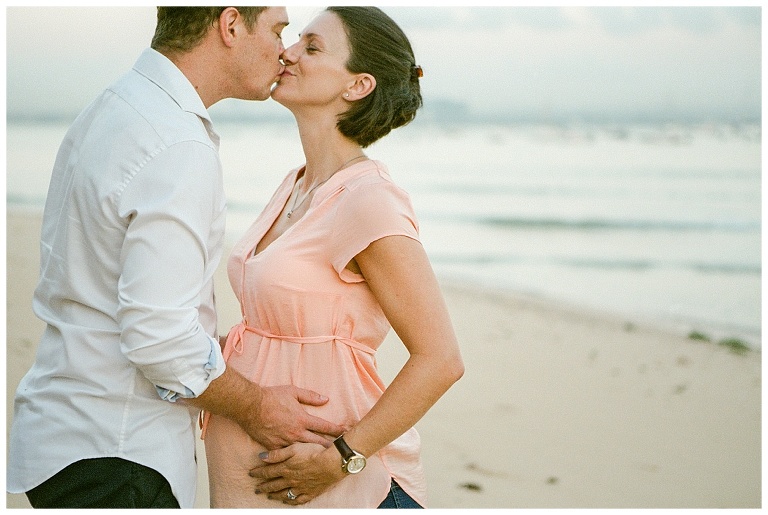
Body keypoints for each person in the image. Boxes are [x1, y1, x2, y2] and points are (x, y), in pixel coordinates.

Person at [7, 7, 345, 509]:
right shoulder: (177, 142)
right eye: (276, 30)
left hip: (69, 436)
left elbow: (105, 287)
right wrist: (257, 407)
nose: (284, 49)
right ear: (230, 25)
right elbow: (158, 336)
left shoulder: (115, 106)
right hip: (119, 455)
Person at [201, 6, 465, 509]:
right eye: (296, 40)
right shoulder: (296, 184)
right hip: (258, 481)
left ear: (357, 86)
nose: (288, 52)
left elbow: (441, 360)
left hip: (344, 488)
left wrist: (340, 459)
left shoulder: (369, 199)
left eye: (312, 47)